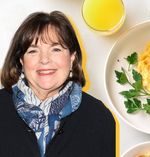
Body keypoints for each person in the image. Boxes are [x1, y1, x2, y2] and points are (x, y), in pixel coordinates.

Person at [0, 11, 116, 157]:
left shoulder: (100, 118)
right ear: (21, 61)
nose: (44, 59)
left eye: (56, 49)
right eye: (33, 51)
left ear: (72, 57)